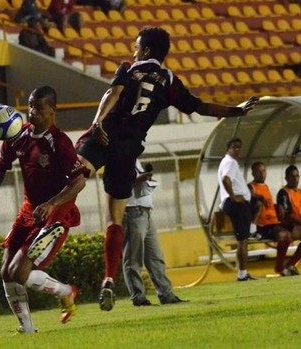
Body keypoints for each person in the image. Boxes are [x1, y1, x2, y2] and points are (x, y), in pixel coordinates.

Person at [74, 26, 258, 311]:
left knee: (75, 175)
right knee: (113, 221)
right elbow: (200, 107)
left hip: (107, 133)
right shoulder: (170, 81)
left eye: (136, 47)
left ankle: (53, 214)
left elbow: (113, 93)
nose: (133, 51)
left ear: (145, 51)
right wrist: (236, 109)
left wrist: (98, 121)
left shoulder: (128, 67)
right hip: (129, 148)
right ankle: (108, 279)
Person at [0, 87, 85, 334]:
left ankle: (66, 292)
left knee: (18, 271)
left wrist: (52, 203)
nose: (31, 112)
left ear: (52, 111)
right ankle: (27, 329)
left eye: (38, 107)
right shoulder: (18, 135)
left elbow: (79, 182)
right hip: (28, 211)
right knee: (6, 272)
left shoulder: (60, 142)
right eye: (30, 106)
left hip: (54, 215)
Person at [122, 160, 185, 306]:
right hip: (131, 210)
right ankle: (138, 298)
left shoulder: (135, 159)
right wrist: (140, 179)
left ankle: (166, 294)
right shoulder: (118, 158)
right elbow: (119, 186)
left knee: (155, 257)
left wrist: (145, 179)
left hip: (146, 211)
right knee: (133, 258)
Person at [249, 162, 301, 276]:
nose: (262, 174)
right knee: (284, 235)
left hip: (276, 222)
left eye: (264, 171)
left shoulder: (265, 186)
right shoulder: (251, 187)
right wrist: (258, 198)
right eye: (259, 171)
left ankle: (290, 265)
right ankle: (280, 267)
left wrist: (276, 206)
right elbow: (248, 197)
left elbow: (268, 205)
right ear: (253, 173)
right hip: (264, 225)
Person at [218, 138, 258, 282]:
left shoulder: (228, 162)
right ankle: (242, 275)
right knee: (242, 241)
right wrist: (234, 197)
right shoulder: (230, 162)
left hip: (239, 203)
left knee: (243, 238)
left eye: (239, 147)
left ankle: (253, 228)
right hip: (236, 205)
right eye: (234, 147)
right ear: (227, 150)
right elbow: (225, 179)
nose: (237, 150)